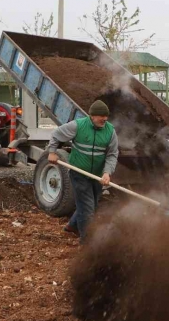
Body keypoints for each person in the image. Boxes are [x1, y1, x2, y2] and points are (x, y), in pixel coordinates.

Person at [47, 100, 119, 240]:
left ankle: (72, 226)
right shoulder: (78, 126)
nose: (104, 119)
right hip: (79, 173)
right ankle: (86, 242)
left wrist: (106, 173)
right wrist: (52, 151)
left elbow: (112, 154)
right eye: (101, 116)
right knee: (87, 209)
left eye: (106, 116)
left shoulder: (110, 131)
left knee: (92, 205)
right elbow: (56, 134)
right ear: (92, 116)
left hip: (97, 175)